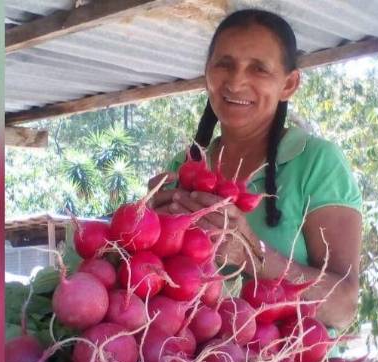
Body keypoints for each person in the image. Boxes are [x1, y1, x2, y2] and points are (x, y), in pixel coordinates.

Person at [150, 9, 362, 331]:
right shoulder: (185, 166)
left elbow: (344, 307)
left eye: (259, 69)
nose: (236, 82)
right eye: (225, 64)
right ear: (207, 72)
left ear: (289, 84)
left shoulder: (317, 162)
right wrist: (149, 228)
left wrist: (252, 252)